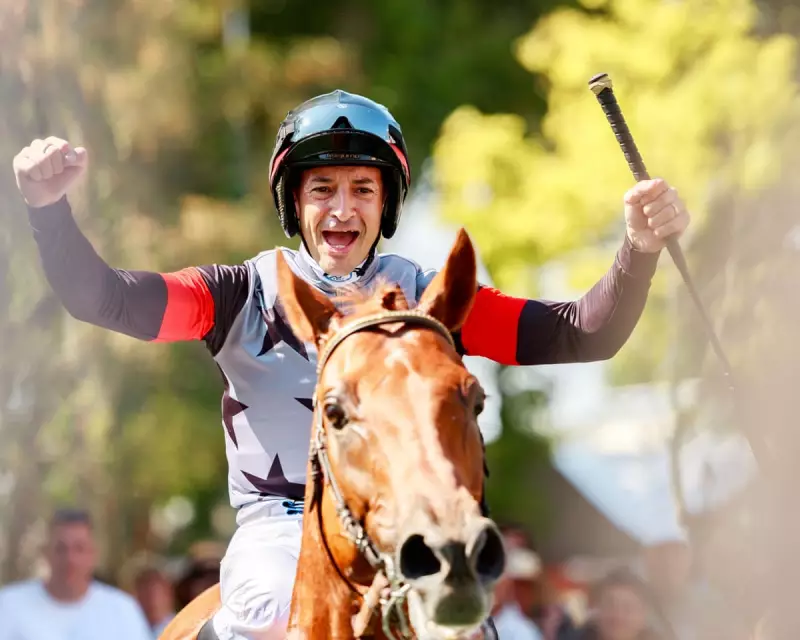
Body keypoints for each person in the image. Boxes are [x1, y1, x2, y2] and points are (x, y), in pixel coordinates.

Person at [12, 89, 691, 640]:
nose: (342, 208)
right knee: (267, 608)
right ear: (294, 204)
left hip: (412, 524)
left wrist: (636, 248)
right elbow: (102, 299)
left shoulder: (429, 303)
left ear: (386, 203)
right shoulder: (236, 292)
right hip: (280, 530)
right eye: (323, 189)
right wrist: (48, 211)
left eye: (363, 188)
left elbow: (580, 335)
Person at [0, 508, 152, 640]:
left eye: (79, 548)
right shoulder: (8, 605)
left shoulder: (122, 611)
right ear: (46, 552)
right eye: (61, 548)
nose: (70, 559)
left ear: (93, 554)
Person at [133, 565, 177, 638]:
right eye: (145, 594)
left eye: (156, 594)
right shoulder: (132, 627)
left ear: (168, 594)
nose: (151, 601)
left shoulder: (183, 628)